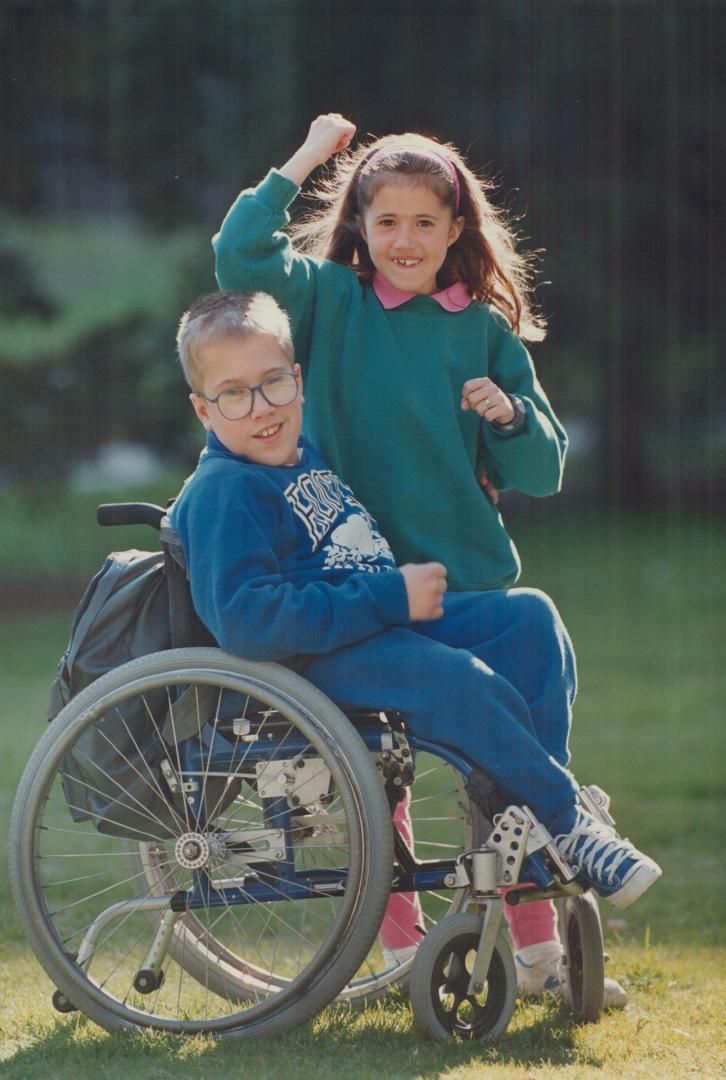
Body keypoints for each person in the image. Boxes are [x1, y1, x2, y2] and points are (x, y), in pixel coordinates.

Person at [211, 116, 613, 1002]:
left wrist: (508, 415)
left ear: (457, 229)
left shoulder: (485, 333)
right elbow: (239, 256)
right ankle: (399, 949)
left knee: (525, 689)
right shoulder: (327, 300)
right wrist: (311, 158)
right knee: (378, 769)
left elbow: (541, 471)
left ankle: (540, 947)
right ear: (359, 226)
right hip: (355, 589)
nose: (403, 241)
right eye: (384, 222)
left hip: (465, 579)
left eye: (424, 223)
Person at [169, 291, 662, 977]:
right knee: (457, 681)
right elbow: (251, 621)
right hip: (313, 661)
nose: (261, 406)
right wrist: (388, 593)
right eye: (233, 394)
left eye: (274, 381)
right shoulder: (225, 491)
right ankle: (568, 823)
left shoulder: (296, 457)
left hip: (374, 626)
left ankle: (542, 816)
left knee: (528, 620)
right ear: (203, 409)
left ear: (297, 378)